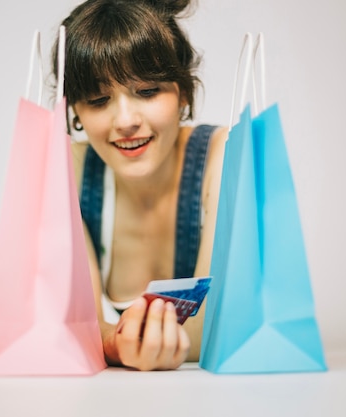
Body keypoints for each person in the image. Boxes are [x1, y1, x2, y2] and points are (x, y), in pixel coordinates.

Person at [52, 0, 227, 371]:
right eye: (98, 100)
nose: (126, 121)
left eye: (147, 91)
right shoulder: (69, 170)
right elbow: (63, 322)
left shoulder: (221, 157)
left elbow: (216, 327)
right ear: (75, 113)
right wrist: (113, 344)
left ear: (183, 92)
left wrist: (106, 340)